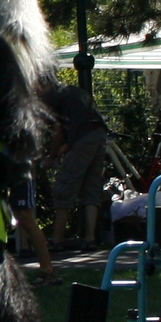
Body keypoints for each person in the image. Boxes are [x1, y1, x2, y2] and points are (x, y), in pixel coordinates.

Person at [48, 83, 109, 249]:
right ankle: (90, 239)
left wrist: (53, 155)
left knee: (64, 186)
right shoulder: (74, 91)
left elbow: (58, 130)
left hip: (83, 137)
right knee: (91, 187)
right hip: (99, 133)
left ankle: (57, 238)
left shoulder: (52, 97)